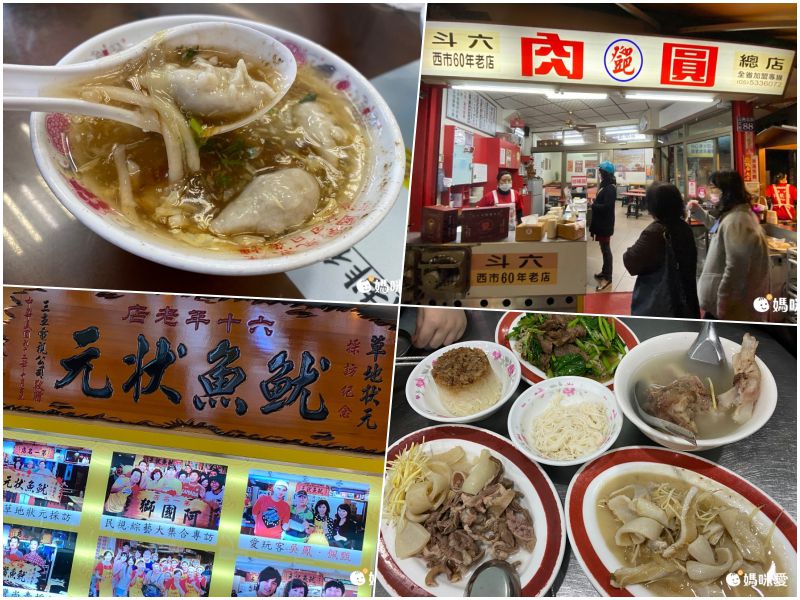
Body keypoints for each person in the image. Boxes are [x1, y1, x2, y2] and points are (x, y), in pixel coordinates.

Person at [688, 170, 770, 321]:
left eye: (713, 188)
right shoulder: (734, 215)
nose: (710, 192)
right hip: (725, 309)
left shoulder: (738, 220)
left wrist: (724, 305)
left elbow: (736, 268)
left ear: (727, 191)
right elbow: (717, 228)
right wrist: (698, 212)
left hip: (730, 311)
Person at [623, 183, 700, 318]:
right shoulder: (685, 227)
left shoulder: (655, 232)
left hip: (663, 305)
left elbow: (630, 262)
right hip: (687, 302)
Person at [589, 161, 617, 291]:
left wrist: (593, 205)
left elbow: (607, 207)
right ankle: (604, 272)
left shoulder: (610, 188)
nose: (599, 174)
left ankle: (608, 277)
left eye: (601, 172)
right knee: (603, 248)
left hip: (605, 224)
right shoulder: (604, 185)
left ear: (606, 173)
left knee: (606, 250)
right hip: (601, 223)